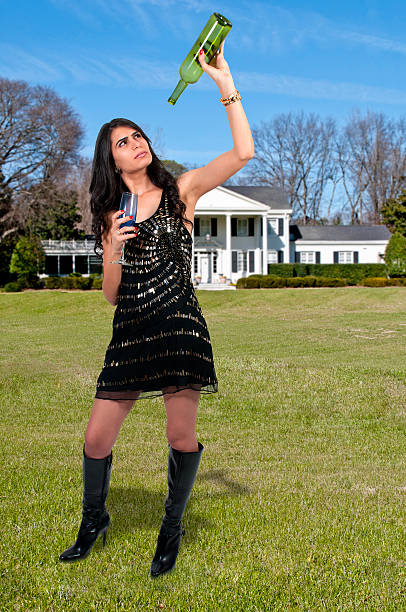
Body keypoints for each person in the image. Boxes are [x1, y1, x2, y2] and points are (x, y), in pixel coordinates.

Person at [59, 41, 254, 577]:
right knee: (95, 438)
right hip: (130, 333)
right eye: (124, 141)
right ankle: (93, 521)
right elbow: (110, 294)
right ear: (112, 159)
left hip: (178, 327)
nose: (137, 144)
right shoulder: (108, 214)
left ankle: (171, 528)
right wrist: (115, 250)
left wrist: (223, 83)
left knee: (179, 436)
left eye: (139, 135)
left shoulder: (182, 191)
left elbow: (243, 154)